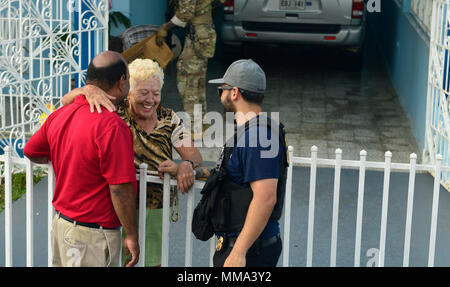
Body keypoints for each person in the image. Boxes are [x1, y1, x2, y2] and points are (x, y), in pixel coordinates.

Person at [62, 58, 202, 267]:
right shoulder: (113, 111)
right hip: (117, 206)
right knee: (120, 261)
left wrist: (186, 164)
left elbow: (194, 155)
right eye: (143, 92)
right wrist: (86, 91)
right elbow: (66, 102)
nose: (150, 100)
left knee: (153, 261)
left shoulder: (169, 118)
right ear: (128, 91)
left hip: (155, 208)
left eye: (155, 93)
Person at [23, 51, 140, 267]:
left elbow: (31, 151)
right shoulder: (112, 126)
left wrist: (64, 159)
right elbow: (119, 189)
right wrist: (131, 234)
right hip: (92, 237)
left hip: (62, 227)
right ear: (121, 81)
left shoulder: (61, 114)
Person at [194, 59, 288, 267]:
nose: (220, 95)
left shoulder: (258, 137)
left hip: (249, 251)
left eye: (222, 89)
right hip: (243, 246)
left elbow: (265, 198)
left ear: (234, 92)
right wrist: (189, 170)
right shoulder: (252, 132)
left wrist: (238, 252)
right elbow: (231, 175)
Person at [156, 0, 224, 137]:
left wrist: (165, 27)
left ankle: (195, 127)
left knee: (188, 81)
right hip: (203, 34)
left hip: (197, 36)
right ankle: (201, 123)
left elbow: (186, 13)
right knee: (197, 80)